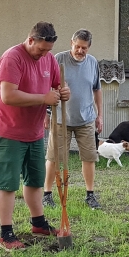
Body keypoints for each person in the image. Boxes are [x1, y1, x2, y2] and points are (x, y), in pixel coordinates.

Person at [0, 22, 70, 252]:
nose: (44, 54)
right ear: (30, 40)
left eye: (48, 50)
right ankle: (6, 233)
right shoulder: (12, 57)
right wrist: (43, 99)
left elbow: (58, 84)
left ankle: (38, 223)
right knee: (8, 183)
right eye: (41, 49)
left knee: (35, 179)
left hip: (34, 132)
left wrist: (65, 91)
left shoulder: (49, 59)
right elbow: (8, 95)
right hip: (9, 131)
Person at [44, 30, 104, 210]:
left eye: (84, 48)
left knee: (89, 157)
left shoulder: (92, 62)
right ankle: (47, 194)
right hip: (61, 119)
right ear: (71, 43)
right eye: (77, 46)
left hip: (86, 119)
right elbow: (46, 87)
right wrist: (46, 113)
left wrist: (99, 115)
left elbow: (97, 90)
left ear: (89, 47)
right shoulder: (58, 59)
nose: (80, 51)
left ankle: (90, 195)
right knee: (54, 157)